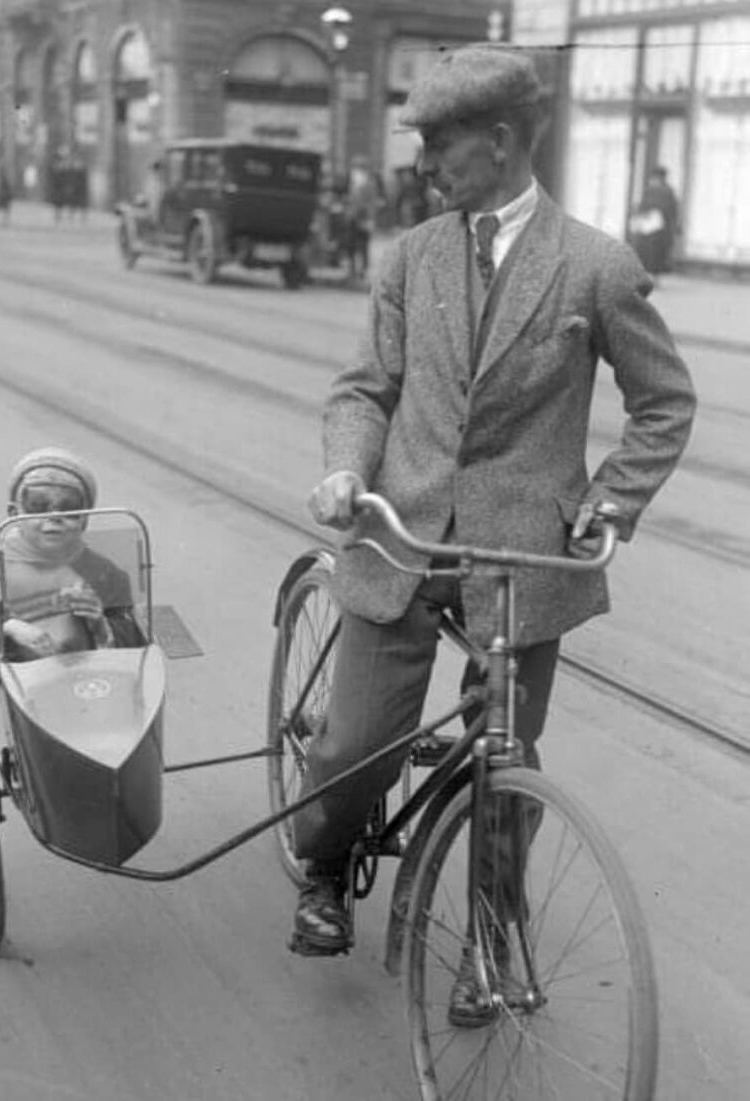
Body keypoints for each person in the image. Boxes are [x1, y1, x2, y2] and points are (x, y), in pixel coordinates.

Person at [290, 44, 696, 1016]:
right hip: (402, 538)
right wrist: (346, 467)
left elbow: (665, 404)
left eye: (440, 140)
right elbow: (365, 388)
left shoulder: (595, 266)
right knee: (353, 746)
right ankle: (324, 863)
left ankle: (490, 943)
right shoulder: (413, 254)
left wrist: (610, 500)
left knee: (504, 763)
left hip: (521, 559)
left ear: (503, 139)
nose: (426, 160)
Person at [0, 447, 145, 661]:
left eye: (69, 508)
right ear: (14, 514)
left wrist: (101, 625)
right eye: (38, 506)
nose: (54, 518)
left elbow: (135, 637)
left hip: (86, 679)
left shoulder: (104, 574)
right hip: (16, 680)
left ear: (84, 519)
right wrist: (9, 627)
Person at [630, 165, 680, 281]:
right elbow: (643, 206)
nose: (653, 180)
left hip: (659, 228)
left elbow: (670, 209)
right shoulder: (651, 190)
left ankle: (654, 277)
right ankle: (648, 276)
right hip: (649, 226)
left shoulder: (666, 191)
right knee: (647, 252)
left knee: (656, 253)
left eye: (655, 178)